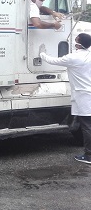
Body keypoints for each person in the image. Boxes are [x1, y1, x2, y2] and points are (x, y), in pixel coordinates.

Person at [40, 33, 91, 164]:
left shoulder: (73, 57)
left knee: (86, 126)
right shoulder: (89, 55)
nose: (74, 41)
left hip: (84, 96)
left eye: (76, 39)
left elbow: (54, 61)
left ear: (79, 43)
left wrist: (42, 54)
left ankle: (89, 155)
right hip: (88, 93)